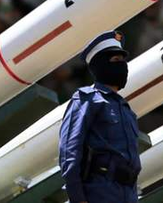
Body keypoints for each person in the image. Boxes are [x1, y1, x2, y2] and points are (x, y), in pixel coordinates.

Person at [59, 31, 141, 203]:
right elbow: (70, 152)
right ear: (101, 65)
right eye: (116, 60)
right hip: (98, 193)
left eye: (123, 60)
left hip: (127, 196)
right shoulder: (86, 100)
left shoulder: (125, 108)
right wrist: (78, 198)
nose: (123, 65)